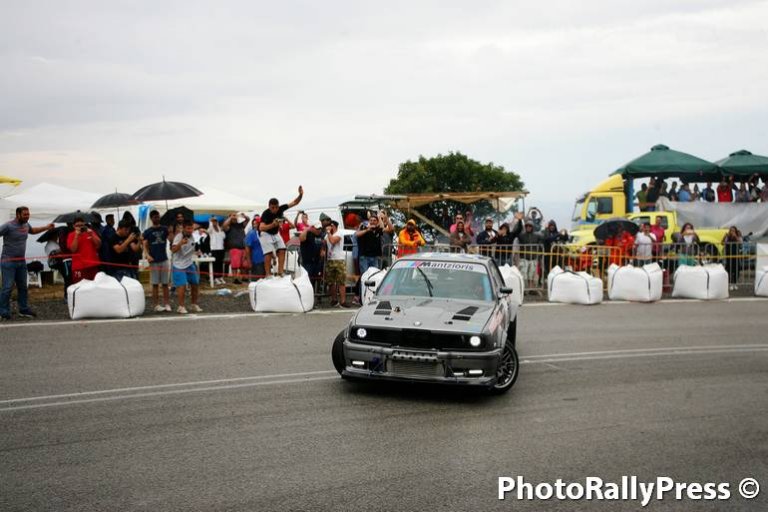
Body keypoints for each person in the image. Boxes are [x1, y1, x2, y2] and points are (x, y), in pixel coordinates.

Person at [0, 207, 54, 320]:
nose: (27, 216)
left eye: (28, 214)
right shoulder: (8, 226)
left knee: (23, 287)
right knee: (7, 287)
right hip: (8, 262)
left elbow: (33, 231)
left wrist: (46, 227)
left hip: (21, 261)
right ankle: (3, 311)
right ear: (17, 215)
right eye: (25, 214)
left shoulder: (26, 225)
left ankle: (23, 309)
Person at [259, 186, 304, 277]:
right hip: (265, 234)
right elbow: (261, 227)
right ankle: (268, 274)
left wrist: (300, 194)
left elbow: (295, 202)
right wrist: (272, 225)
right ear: (269, 207)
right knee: (268, 253)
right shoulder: (266, 213)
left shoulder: (281, 208)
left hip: (275, 233)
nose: (275, 209)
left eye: (276, 207)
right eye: (272, 208)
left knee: (282, 249)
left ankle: (280, 272)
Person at [142, 210, 171, 312]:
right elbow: (144, 245)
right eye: (155, 217)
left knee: (165, 283)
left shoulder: (164, 229)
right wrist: (147, 255)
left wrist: (171, 231)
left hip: (164, 258)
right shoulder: (147, 231)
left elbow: (170, 239)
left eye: (158, 217)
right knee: (155, 284)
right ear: (151, 218)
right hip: (154, 260)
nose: (157, 219)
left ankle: (167, 303)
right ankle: (156, 304)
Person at [171, 220, 202, 314]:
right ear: (184, 228)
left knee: (195, 283)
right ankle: (181, 306)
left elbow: (191, 248)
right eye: (188, 228)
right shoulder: (178, 237)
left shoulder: (193, 236)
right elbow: (173, 250)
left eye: (191, 228)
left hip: (189, 263)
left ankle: (194, 304)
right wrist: (180, 243)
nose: (190, 230)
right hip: (179, 265)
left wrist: (196, 252)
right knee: (182, 286)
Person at [67, 216, 102, 284]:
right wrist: (76, 236)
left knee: (94, 286)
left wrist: (91, 234)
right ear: (74, 226)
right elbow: (73, 249)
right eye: (78, 225)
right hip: (79, 267)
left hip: (92, 265)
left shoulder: (90, 232)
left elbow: (99, 244)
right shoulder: (71, 235)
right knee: (80, 288)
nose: (80, 227)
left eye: (82, 225)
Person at [325, 220, 347, 307]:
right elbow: (325, 243)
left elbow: (333, 241)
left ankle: (343, 301)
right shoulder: (328, 234)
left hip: (339, 260)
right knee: (331, 282)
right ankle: (334, 300)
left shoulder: (339, 233)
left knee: (341, 281)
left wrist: (328, 233)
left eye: (330, 226)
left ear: (333, 226)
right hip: (330, 260)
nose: (328, 227)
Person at [222, 212, 249, 284]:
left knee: (243, 265)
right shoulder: (229, 226)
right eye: (232, 216)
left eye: (235, 216)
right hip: (234, 248)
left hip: (243, 247)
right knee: (235, 265)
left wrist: (244, 216)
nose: (234, 217)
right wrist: (230, 217)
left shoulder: (240, 225)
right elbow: (224, 226)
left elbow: (248, 220)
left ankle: (244, 277)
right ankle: (235, 278)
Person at [517, 220, 542, 288]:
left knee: (532, 274)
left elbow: (543, 241)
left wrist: (540, 253)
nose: (528, 227)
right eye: (527, 226)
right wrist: (519, 221)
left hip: (533, 258)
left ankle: (531, 288)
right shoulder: (521, 235)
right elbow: (517, 231)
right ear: (525, 227)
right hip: (524, 258)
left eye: (530, 226)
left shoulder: (537, 236)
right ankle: (524, 289)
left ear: (532, 227)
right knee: (523, 274)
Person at [207, 217, 226, 285]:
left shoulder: (220, 230)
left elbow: (224, 237)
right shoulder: (211, 229)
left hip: (221, 248)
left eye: (215, 221)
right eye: (213, 221)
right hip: (214, 249)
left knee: (220, 263)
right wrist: (210, 222)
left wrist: (221, 230)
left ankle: (220, 276)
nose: (214, 222)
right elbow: (208, 231)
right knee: (215, 264)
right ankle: (215, 278)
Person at [722, 226, 743, 291]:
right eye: (731, 230)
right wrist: (724, 237)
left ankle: (735, 284)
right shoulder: (727, 237)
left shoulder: (738, 236)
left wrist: (735, 237)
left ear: (736, 231)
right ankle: (730, 284)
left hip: (736, 256)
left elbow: (741, 244)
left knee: (736, 270)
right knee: (729, 270)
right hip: (729, 256)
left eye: (733, 231)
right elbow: (722, 243)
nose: (732, 232)